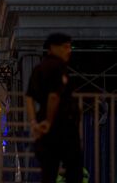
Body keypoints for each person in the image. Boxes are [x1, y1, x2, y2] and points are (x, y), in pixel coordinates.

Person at [26, 33, 83, 183]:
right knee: (74, 169)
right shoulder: (58, 67)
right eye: (65, 47)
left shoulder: (38, 69)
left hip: (44, 128)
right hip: (63, 126)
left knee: (48, 172)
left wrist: (33, 122)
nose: (69, 50)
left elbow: (28, 97)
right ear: (53, 48)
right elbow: (54, 96)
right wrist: (49, 122)